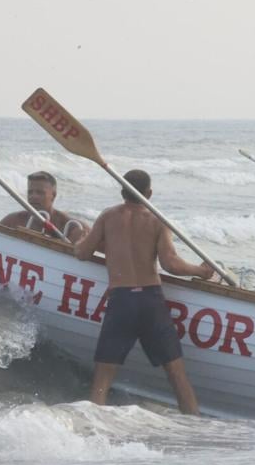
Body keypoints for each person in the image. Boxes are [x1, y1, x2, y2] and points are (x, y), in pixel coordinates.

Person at [72, 170, 214, 415]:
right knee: (177, 375)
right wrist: (200, 271)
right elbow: (171, 264)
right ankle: (195, 429)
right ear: (149, 193)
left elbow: (83, 254)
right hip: (150, 301)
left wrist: (80, 240)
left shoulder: (107, 216)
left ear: (122, 192)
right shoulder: (157, 221)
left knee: (103, 378)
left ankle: (92, 430)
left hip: (121, 301)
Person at [0, 171, 90, 243]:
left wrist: (80, 243)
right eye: (30, 192)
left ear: (53, 195)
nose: (33, 196)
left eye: (40, 192)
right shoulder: (13, 221)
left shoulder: (72, 226)